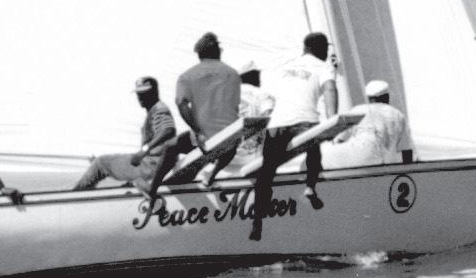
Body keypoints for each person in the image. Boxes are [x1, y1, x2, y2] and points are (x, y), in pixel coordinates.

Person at [250, 31, 337, 241]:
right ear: (322, 49)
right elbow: (330, 90)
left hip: (277, 124)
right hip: (304, 122)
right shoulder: (324, 67)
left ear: (304, 48)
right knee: (313, 149)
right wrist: (333, 119)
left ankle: (257, 221)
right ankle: (310, 187)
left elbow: (269, 95)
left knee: (266, 171)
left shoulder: (285, 68)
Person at [73, 77, 179, 195]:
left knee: (101, 163)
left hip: (152, 166)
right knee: (101, 162)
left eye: (144, 93)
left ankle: (75, 197)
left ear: (155, 93)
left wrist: (144, 150)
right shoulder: (154, 110)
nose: (140, 97)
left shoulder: (159, 109)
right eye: (138, 93)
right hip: (152, 164)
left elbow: (168, 130)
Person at [175, 32, 244, 185]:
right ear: (218, 52)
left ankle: (153, 189)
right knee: (231, 141)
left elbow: (181, 103)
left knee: (169, 147)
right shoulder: (232, 74)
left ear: (199, 54)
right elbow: (235, 106)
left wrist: (197, 131)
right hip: (229, 137)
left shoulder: (187, 76)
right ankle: (214, 171)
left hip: (203, 137)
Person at [324, 79, 408, 168]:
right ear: (387, 97)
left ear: (368, 98)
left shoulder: (357, 110)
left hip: (356, 160)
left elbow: (339, 139)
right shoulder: (398, 114)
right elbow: (406, 149)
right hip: (385, 165)